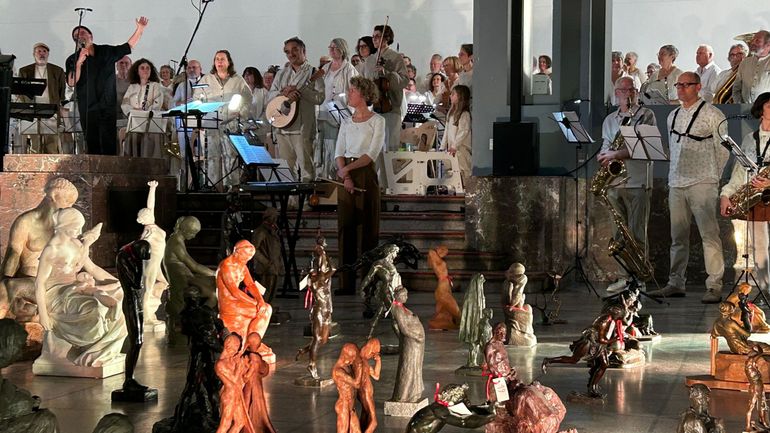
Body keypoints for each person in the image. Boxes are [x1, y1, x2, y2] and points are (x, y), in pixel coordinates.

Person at [647, 72, 728, 303]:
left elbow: (723, 150)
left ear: (698, 87)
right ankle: (675, 283)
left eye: (686, 85)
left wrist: (713, 177)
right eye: (678, 85)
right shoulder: (672, 115)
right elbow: (674, 147)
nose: (681, 89)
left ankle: (714, 286)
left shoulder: (713, 114)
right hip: (676, 182)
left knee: (709, 235)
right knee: (678, 236)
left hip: (703, 181)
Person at [34, 208, 127, 366]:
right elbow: (39, 283)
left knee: (118, 297)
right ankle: (90, 353)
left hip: (74, 288)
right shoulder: (52, 250)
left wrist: (120, 282)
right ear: (64, 226)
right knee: (97, 308)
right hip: (57, 294)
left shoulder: (76, 243)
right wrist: (43, 314)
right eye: (76, 228)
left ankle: (101, 353)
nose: (79, 232)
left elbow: (92, 268)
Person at [599, 76, 657, 293]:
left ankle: (639, 278)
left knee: (637, 233)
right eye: (623, 90)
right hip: (614, 182)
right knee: (619, 235)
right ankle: (624, 277)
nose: (628, 93)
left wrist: (615, 154)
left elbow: (645, 147)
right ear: (616, 93)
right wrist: (604, 156)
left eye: (632, 89)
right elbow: (606, 145)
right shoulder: (610, 120)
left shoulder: (646, 115)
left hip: (638, 181)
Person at [67, 17, 148, 155]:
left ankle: (110, 168)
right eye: (76, 35)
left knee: (109, 143)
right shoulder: (72, 59)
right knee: (92, 144)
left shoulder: (106, 51)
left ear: (91, 36)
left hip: (107, 105)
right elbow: (71, 82)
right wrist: (79, 62)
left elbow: (128, 46)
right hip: (88, 107)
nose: (79, 36)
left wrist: (140, 29)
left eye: (82, 33)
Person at [0, 178, 78, 320]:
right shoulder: (25, 221)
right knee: (7, 285)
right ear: (54, 196)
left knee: (10, 285)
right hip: (27, 281)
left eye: (72, 204)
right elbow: (13, 255)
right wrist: (3, 280)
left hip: (52, 284)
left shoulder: (66, 225)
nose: (70, 207)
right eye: (67, 201)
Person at [334, 76, 385, 295]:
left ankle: (367, 282)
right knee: (345, 228)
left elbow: (372, 153)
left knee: (367, 229)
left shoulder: (378, 121)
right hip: (346, 172)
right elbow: (339, 151)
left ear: (363, 94)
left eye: (353, 91)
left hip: (364, 172)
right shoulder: (346, 121)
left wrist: (348, 170)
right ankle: (345, 283)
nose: (349, 94)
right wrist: (345, 174)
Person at [720, 92, 770, 293]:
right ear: (760, 111)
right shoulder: (750, 139)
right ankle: (764, 289)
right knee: (758, 247)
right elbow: (739, 173)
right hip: (756, 200)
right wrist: (725, 195)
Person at [267, 37, 324, 182]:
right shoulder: (282, 73)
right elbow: (270, 95)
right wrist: (283, 93)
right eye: (287, 52)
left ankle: (307, 196)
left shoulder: (313, 72)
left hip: (302, 127)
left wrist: (301, 91)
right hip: (282, 125)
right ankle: (289, 196)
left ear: (303, 50)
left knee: (306, 168)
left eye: (294, 50)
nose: (291, 54)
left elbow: (320, 98)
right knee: (286, 168)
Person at [193, 50, 251, 189]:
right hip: (211, 124)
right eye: (217, 59)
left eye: (222, 59)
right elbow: (197, 99)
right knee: (212, 157)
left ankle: (232, 188)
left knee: (230, 156)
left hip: (231, 123)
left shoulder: (238, 80)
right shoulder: (206, 80)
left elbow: (248, 99)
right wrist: (201, 118)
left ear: (229, 62)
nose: (219, 61)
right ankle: (214, 187)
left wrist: (240, 113)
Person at [362, 24, 408, 162]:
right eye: (373, 36)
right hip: (374, 107)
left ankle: (390, 175)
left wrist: (387, 73)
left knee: (390, 147)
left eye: (378, 36)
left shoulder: (395, 57)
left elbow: (404, 80)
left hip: (391, 105)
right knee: (375, 147)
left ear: (386, 38)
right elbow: (366, 82)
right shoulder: (370, 59)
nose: (374, 39)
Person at [318, 38, 358, 180]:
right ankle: (323, 175)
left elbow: (354, 91)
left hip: (339, 113)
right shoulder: (325, 68)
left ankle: (336, 176)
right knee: (322, 146)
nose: (332, 50)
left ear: (342, 50)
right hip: (323, 111)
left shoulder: (349, 69)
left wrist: (348, 114)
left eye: (335, 47)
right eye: (330, 47)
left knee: (335, 146)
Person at [17, 42, 66, 154]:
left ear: (48, 54)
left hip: (50, 110)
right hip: (32, 110)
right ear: (34, 54)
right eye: (39, 51)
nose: (42, 54)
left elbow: (61, 92)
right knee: (35, 144)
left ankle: (52, 164)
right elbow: (21, 92)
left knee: (51, 143)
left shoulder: (57, 70)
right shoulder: (24, 71)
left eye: (44, 51)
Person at [121, 58, 164, 157]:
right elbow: (125, 104)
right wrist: (133, 111)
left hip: (150, 121)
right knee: (132, 135)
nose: (145, 70)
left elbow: (157, 103)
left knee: (151, 136)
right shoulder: (132, 87)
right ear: (137, 71)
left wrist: (145, 112)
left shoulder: (155, 85)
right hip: (135, 120)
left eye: (148, 68)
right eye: (142, 68)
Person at [440, 85, 471, 183]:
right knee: (452, 173)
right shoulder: (451, 114)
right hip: (452, 150)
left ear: (460, 97)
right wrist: (442, 146)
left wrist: (454, 146)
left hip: (461, 149)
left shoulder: (464, 114)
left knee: (463, 171)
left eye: (453, 94)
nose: (450, 96)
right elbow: (446, 131)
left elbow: (463, 131)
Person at [734, 30, 770, 104]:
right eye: (753, 40)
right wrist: (740, 105)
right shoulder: (745, 62)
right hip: (744, 108)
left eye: (757, 41)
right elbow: (736, 89)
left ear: (768, 45)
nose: (752, 43)